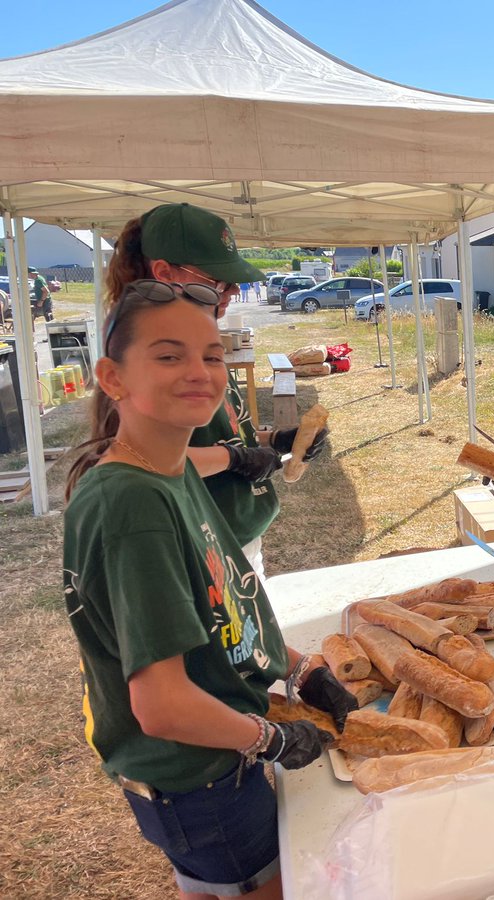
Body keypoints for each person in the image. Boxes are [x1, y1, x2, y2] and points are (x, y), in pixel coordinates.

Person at [62, 279, 357, 900]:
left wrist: (300, 669)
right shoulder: (133, 505)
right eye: (169, 355)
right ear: (113, 378)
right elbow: (162, 705)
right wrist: (270, 738)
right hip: (198, 777)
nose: (199, 371)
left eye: (212, 354)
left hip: (211, 763)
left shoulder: (171, 468)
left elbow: (228, 611)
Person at [105, 204, 327, 578]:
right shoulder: (143, 355)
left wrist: (275, 440)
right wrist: (235, 459)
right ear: (165, 274)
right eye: (219, 280)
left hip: (235, 539)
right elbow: (139, 463)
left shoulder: (194, 344)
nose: (234, 290)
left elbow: (219, 433)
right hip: (195, 551)